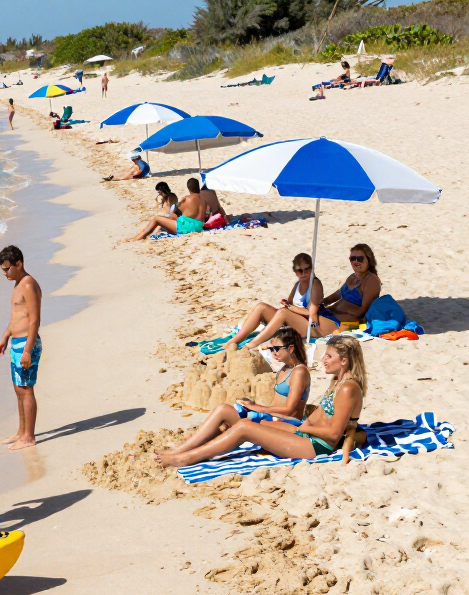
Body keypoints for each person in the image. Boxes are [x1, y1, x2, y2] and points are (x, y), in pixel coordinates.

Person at [157, 336, 365, 467]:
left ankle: (187, 459)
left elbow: (334, 434)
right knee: (237, 417)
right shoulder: (337, 381)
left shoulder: (348, 388)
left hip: (315, 445)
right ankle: (180, 451)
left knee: (244, 427)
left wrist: (304, 428)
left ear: (344, 360)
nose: (323, 360)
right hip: (304, 433)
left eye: (329, 356)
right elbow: (323, 415)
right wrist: (299, 427)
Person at [240, 244, 381, 349]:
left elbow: (362, 311)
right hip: (326, 314)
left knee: (284, 313)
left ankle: (252, 344)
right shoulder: (352, 277)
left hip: (336, 321)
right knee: (263, 307)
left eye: (359, 258)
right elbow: (334, 296)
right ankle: (236, 340)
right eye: (352, 258)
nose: (355, 262)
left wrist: (343, 319)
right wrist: (317, 302)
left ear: (368, 259)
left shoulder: (372, 281)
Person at [0, 245, 42, 450]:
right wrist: (6, 336)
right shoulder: (17, 284)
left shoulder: (28, 285)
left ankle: (29, 437)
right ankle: (21, 432)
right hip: (16, 342)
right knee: (18, 388)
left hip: (26, 343)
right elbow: (17, 316)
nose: (5, 273)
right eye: (3, 270)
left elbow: (34, 320)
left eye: (7, 269)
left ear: (19, 264)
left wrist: (27, 351)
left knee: (26, 388)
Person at [131, 180, 208, 239]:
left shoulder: (187, 198)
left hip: (186, 228)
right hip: (199, 227)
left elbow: (176, 212)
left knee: (157, 219)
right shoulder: (204, 200)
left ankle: (139, 237)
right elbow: (206, 214)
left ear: (189, 188)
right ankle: (149, 232)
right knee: (171, 219)